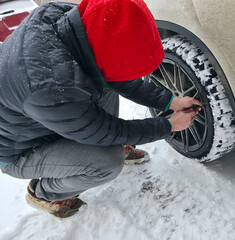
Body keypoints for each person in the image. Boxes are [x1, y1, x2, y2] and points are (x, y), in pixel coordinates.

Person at [0, 0, 202, 219]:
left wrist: (170, 102)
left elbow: (116, 76)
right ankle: (46, 194)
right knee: (108, 161)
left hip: (47, 116)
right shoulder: (53, 88)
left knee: (104, 84)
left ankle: (85, 148)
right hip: (20, 150)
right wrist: (169, 125)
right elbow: (106, 131)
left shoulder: (67, 19)